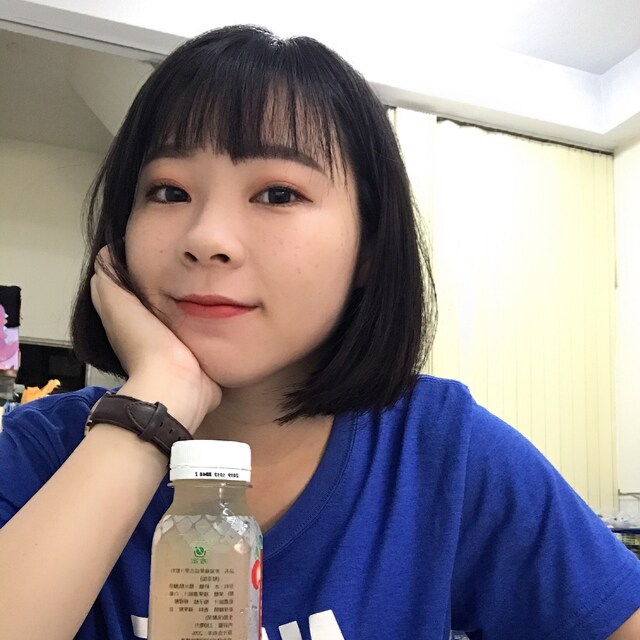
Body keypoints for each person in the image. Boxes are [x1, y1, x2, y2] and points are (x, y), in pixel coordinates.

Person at [0, 25, 639, 640]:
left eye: (278, 194)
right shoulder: (41, 453)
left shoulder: (441, 453)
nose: (207, 238)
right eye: (168, 191)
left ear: (368, 248)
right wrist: (156, 403)